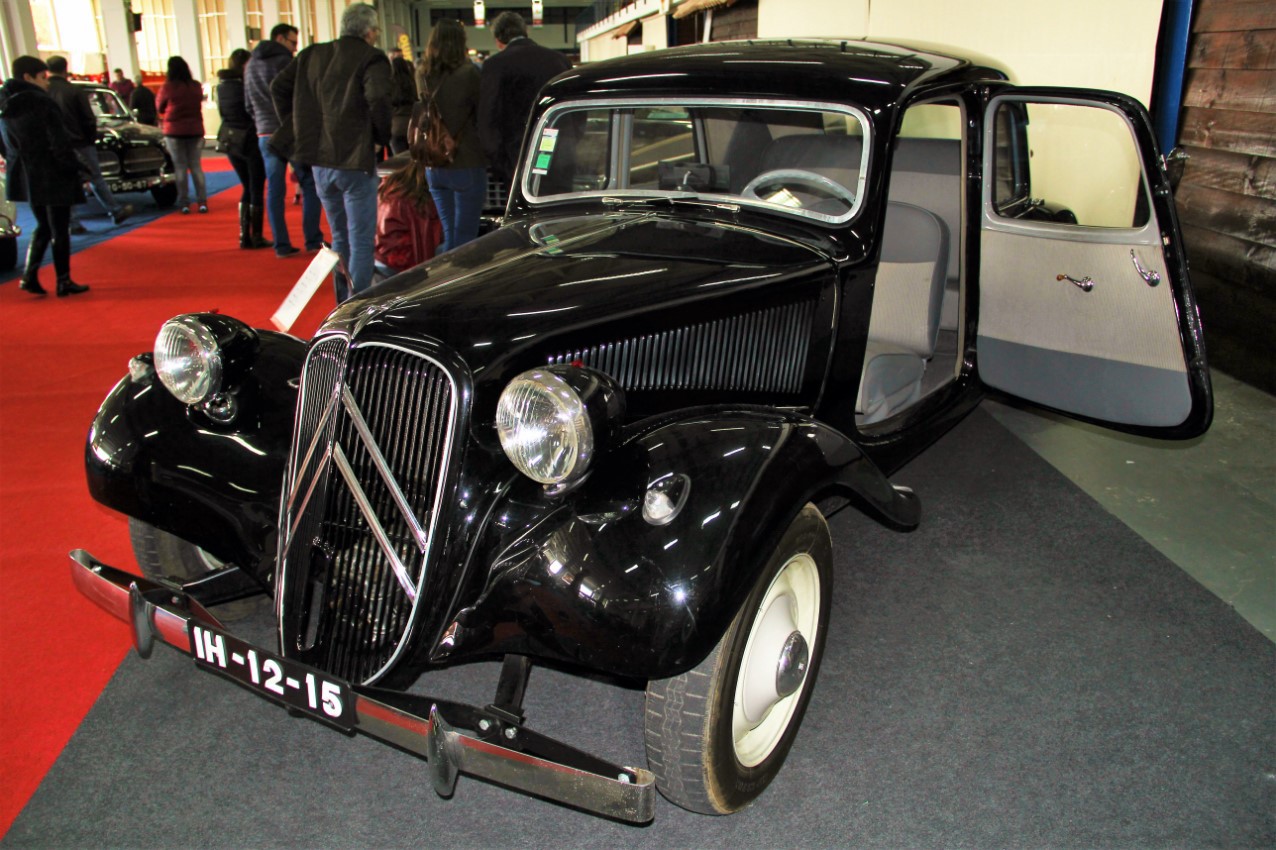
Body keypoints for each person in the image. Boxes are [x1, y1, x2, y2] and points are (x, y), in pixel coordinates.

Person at [272, 3, 391, 302]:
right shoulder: (371, 57)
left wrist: (297, 123)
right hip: (354, 159)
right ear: (368, 31)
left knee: (340, 238)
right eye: (376, 30)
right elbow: (378, 98)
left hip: (319, 160)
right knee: (362, 239)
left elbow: (277, 87)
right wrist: (380, 137)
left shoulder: (311, 54)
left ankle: (342, 302)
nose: (376, 35)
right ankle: (358, 308)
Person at [0, 56, 90, 296]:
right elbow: (58, 142)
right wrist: (75, 168)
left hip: (25, 174)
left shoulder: (5, 103)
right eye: (43, 77)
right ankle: (63, 280)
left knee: (43, 225)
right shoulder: (42, 103)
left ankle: (30, 275)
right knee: (59, 229)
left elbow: (4, 143)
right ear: (28, 77)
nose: (47, 83)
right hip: (52, 173)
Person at [246, 23, 323, 257]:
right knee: (309, 183)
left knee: (275, 190)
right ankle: (313, 240)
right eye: (292, 42)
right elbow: (302, 97)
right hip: (291, 131)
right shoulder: (287, 62)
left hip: (264, 133)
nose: (294, 48)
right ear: (280, 38)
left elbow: (248, 104)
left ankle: (281, 244)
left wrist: (261, 121)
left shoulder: (249, 65)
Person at [416, 19, 486, 253]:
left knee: (449, 234)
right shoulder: (470, 74)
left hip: (433, 163)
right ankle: (462, 284)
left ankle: (443, 279)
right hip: (466, 160)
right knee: (466, 238)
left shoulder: (422, 74)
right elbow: (482, 115)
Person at [478, 11, 570, 186]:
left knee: (523, 209)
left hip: (516, 157)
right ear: (525, 31)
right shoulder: (559, 60)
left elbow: (487, 117)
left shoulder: (495, 65)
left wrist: (499, 162)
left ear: (498, 40)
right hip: (559, 151)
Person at [45, 55, 134, 227]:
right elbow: (88, 118)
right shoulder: (73, 90)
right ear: (65, 68)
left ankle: (72, 222)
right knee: (95, 178)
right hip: (80, 142)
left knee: (66, 181)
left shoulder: (45, 91)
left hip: (56, 144)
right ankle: (115, 210)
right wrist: (90, 139)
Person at [216, 48, 268, 249]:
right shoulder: (245, 85)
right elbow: (251, 111)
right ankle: (256, 236)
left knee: (247, 186)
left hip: (230, 141)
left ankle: (243, 234)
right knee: (255, 187)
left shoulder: (221, 86)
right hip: (249, 139)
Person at [375, 145, 442, 275]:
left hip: (379, 257)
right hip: (399, 264)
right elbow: (426, 243)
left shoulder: (391, 184)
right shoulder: (423, 200)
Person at [157, 55, 207, 214]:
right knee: (196, 166)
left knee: (180, 168)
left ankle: (184, 203)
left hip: (174, 132)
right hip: (195, 130)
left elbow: (159, 106)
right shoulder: (195, 86)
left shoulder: (168, 87)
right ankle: (202, 202)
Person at [388, 47, 416, 155]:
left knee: (398, 160)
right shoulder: (412, 83)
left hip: (395, 126)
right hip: (412, 125)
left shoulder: (389, 84)